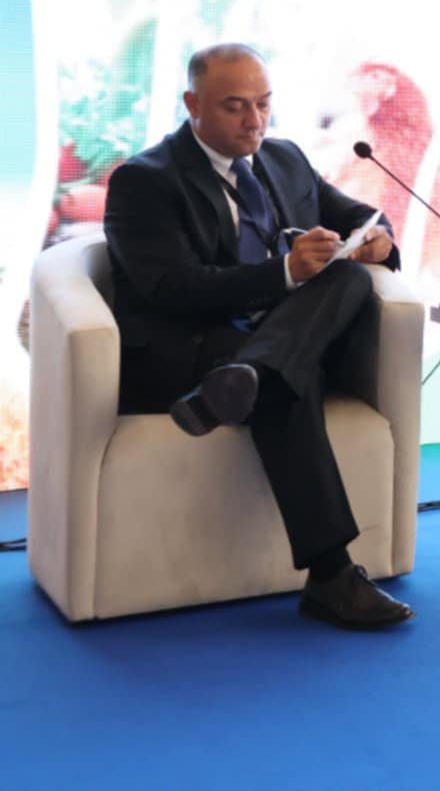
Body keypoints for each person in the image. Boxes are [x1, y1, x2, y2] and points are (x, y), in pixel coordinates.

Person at [103, 43, 412, 629]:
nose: (255, 121)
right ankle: (331, 576)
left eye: (264, 104)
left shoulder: (284, 158)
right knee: (291, 379)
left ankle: (253, 374)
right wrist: (284, 273)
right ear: (193, 104)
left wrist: (379, 239)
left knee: (346, 280)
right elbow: (169, 289)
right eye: (235, 106)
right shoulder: (144, 181)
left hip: (267, 339)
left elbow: (359, 214)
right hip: (191, 346)